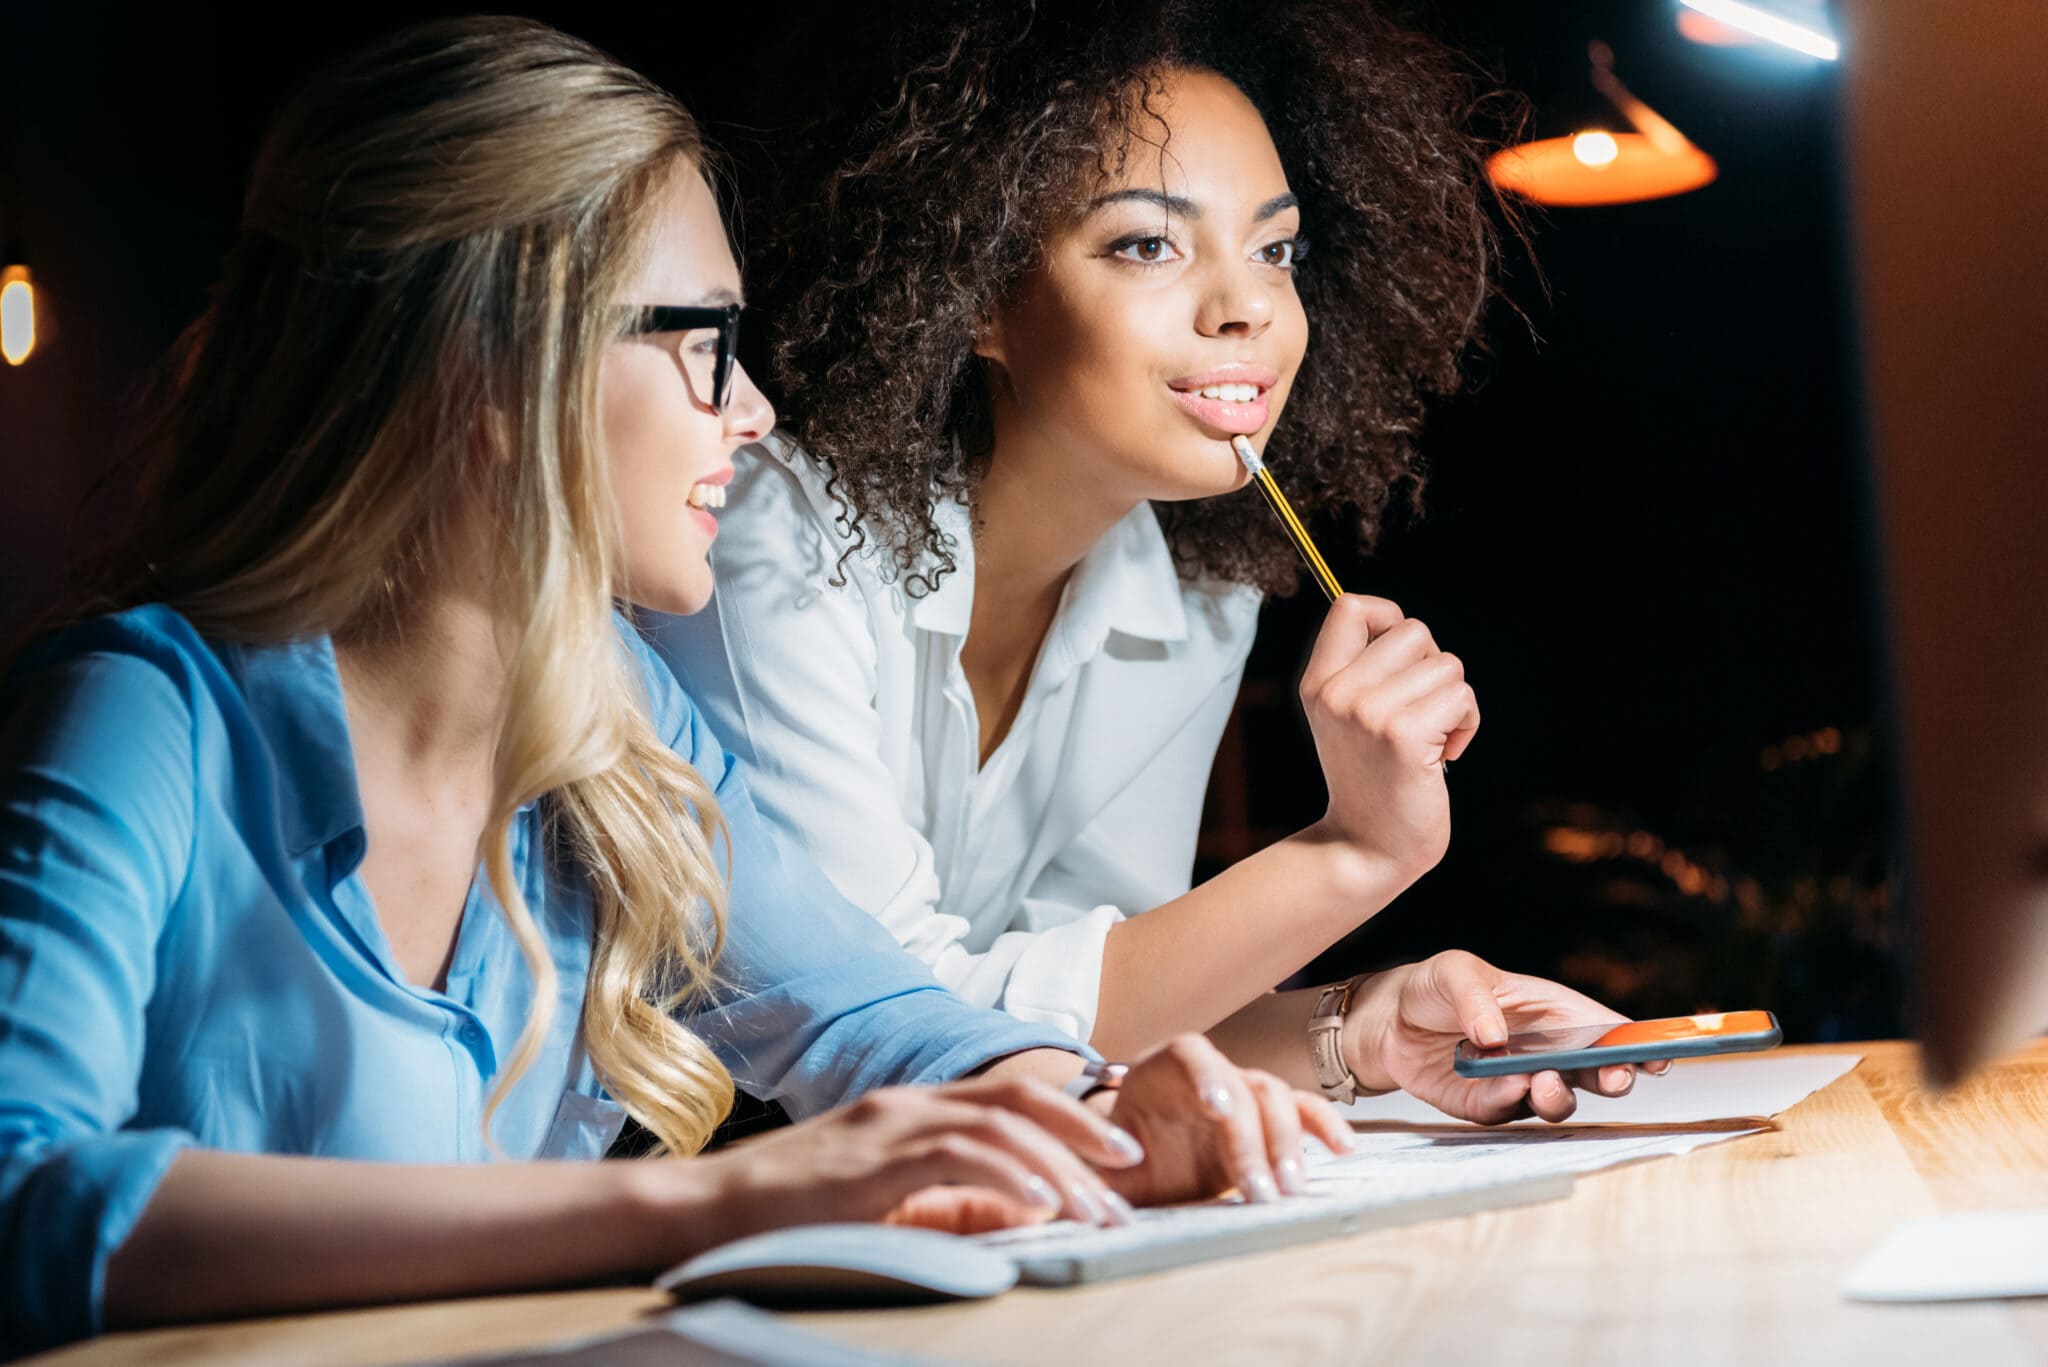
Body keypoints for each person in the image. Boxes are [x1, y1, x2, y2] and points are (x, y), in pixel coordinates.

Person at [0, 19, 1354, 1353]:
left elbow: (875, 1017)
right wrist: (699, 1199)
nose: (755, 408)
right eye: (706, 340)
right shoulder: (140, 714)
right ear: (498, 362)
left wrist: (1107, 1100)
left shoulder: (621, 720)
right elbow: (21, 1197)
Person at [651, 0, 1657, 1117]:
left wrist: (1366, 1024)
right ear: (975, 290)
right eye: (1146, 243)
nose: (1246, 310)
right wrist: (1353, 850)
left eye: (1277, 250)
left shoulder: (1195, 588)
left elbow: (1095, 1011)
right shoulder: (765, 532)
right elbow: (899, 1027)